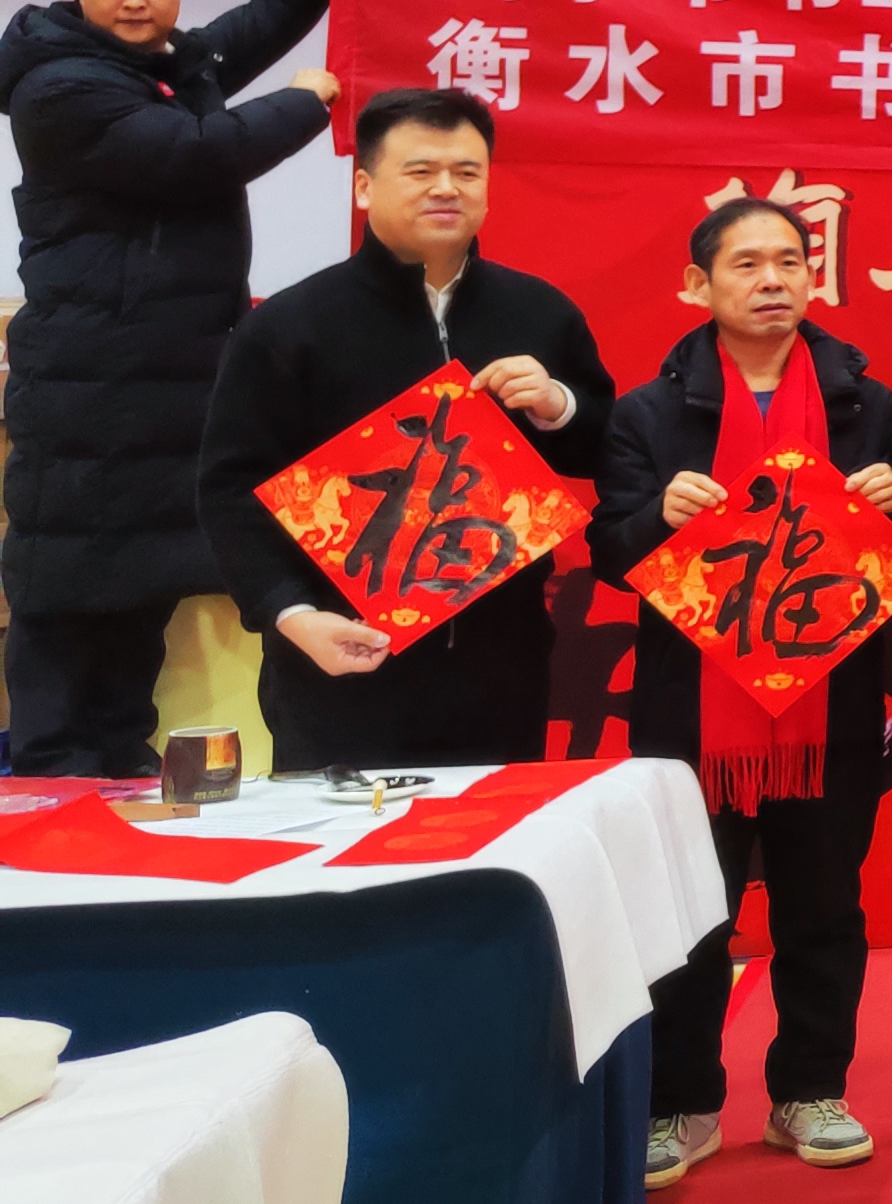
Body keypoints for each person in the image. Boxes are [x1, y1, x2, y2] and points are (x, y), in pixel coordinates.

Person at [1, 0, 355, 773]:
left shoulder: (156, 65)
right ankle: (48, 792)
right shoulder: (57, 85)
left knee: (133, 602)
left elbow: (264, 18)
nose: (134, 1)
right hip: (86, 384)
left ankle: (113, 780)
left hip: (159, 387)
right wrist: (302, 105)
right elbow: (193, 153)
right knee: (66, 599)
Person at [589, 196, 892, 1186]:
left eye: (790, 262)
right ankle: (680, 1103)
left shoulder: (867, 405)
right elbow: (608, 555)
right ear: (699, 285)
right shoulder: (648, 413)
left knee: (825, 908)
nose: (773, 280)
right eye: (747, 264)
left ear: (813, 277)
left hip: (829, 705)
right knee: (692, 917)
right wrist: (657, 519)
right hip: (693, 709)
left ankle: (810, 1092)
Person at [197, 84, 612, 771]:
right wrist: (292, 614)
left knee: (495, 837)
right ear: (365, 186)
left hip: (500, 668)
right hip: (339, 664)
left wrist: (558, 405)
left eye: (467, 172)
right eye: (420, 171)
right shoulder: (291, 326)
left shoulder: (541, 312)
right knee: (345, 842)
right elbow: (229, 488)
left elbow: (602, 448)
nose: (446, 189)